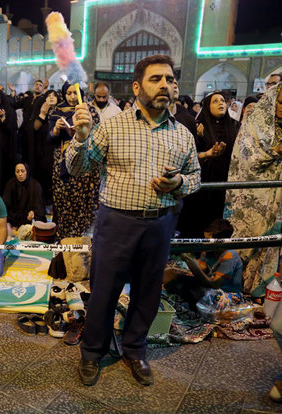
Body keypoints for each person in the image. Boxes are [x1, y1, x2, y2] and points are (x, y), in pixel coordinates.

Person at [65, 55, 201, 387]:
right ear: (138, 87)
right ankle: (92, 352)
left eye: (170, 79)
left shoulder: (182, 134)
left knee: (148, 293)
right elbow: (77, 168)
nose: (165, 86)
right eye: (156, 79)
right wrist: (81, 138)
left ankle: (134, 348)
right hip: (116, 223)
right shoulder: (113, 126)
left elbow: (196, 176)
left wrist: (179, 183)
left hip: (160, 224)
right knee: (104, 292)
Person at [225, 83, 282, 297]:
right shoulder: (255, 124)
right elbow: (248, 158)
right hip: (253, 196)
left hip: (277, 199)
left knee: (273, 240)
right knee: (251, 237)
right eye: (281, 102)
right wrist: (274, 151)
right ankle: (238, 285)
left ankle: (264, 288)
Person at [179, 91, 239, 238]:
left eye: (223, 101)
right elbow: (190, 157)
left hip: (226, 182)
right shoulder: (199, 128)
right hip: (205, 184)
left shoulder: (236, 126)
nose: (221, 103)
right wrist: (199, 140)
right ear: (207, 107)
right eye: (215, 101)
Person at [48, 82, 101, 239]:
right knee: (64, 198)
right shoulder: (56, 111)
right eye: (68, 93)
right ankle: (65, 237)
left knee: (84, 199)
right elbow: (49, 139)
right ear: (64, 94)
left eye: (74, 93)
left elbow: (98, 134)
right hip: (62, 158)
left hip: (85, 158)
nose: (72, 97)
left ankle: (83, 236)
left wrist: (83, 131)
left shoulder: (89, 111)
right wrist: (57, 129)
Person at [173, 219, 243, 302]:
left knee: (200, 292)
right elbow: (201, 272)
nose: (205, 243)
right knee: (177, 279)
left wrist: (193, 264)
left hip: (227, 294)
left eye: (208, 240)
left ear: (219, 241)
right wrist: (187, 259)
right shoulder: (208, 250)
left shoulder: (229, 255)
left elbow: (215, 284)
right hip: (210, 288)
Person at [2, 162, 46, 230]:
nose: (20, 174)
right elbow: (5, 205)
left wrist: (33, 213)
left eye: (22, 171)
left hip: (29, 221)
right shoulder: (11, 184)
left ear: (27, 172)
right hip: (14, 221)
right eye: (17, 171)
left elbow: (40, 209)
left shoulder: (35, 185)